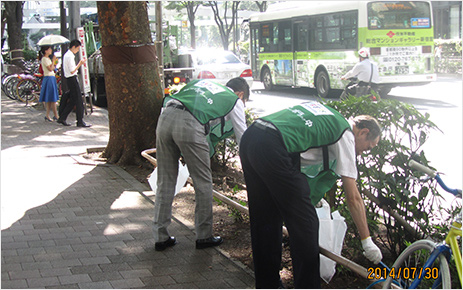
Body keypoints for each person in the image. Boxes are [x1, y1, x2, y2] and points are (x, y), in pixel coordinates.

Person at [239, 101, 383, 288]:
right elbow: (353, 197)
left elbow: (301, 163)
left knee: (266, 218)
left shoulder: (329, 116)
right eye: (369, 146)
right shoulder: (345, 134)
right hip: (273, 146)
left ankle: (268, 285)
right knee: (306, 224)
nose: (364, 152)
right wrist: (367, 241)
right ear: (362, 132)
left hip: (253, 136)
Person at [153, 78, 250, 251]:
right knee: (203, 182)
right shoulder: (234, 100)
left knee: (165, 180)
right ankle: (204, 236)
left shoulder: (204, 83)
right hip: (190, 124)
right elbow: (243, 136)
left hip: (165, 118)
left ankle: (161, 236)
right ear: (240, 94)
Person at [57, 39, 91, 127]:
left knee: (73, 100)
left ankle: (62, 117)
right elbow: (72, 70)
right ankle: (80, 121)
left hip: (69, 79)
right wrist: (80, 63)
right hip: (72, 78)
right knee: (79, 100)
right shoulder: (70, 56)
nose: (77, 51)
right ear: (73, 47)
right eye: (77, 48)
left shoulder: (66, 55)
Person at [38, 46, 59, 122]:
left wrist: (54, 63)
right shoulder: (44, 59)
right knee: (52, 98)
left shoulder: (47, 59)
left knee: (50, 99)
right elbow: (50, 69)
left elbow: (52, 68)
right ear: (46, 51)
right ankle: (56, 115)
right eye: (49, 49)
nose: (51, 50)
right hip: (49, 78)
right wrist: (53, 61)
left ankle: (47, 115)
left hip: (51, 78)